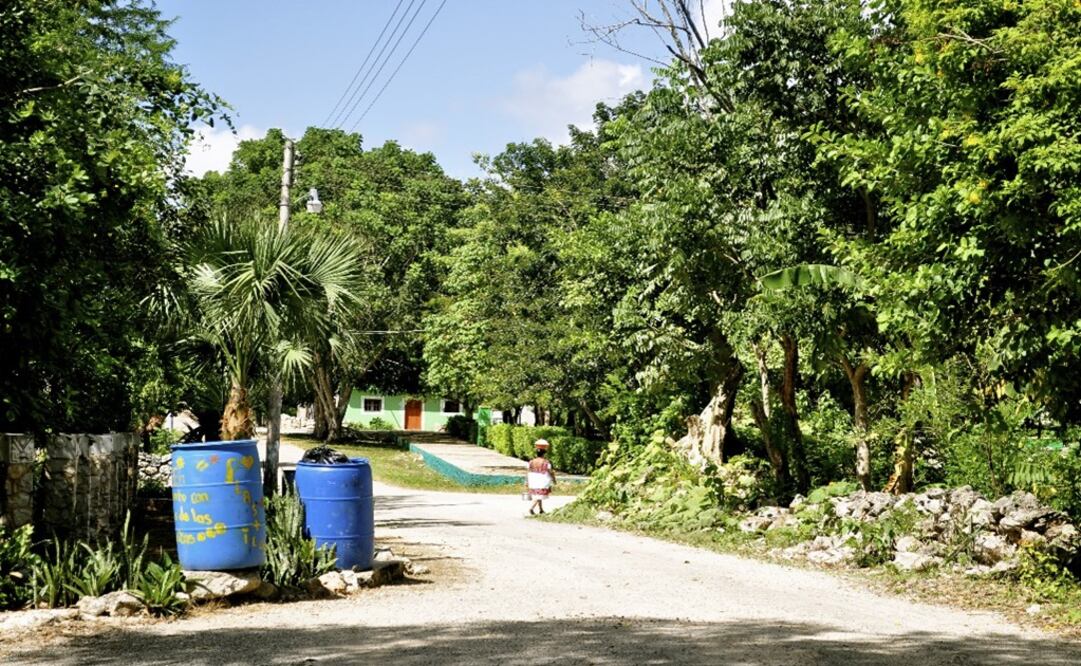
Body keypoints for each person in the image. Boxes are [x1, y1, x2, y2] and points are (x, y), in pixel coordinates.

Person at [526, 439, 556, 515]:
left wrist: (526, 481)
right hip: (542, 480)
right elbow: (550, 472)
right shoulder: (546, 462)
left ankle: (541, 510)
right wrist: (554, 479)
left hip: (533, 480)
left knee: (538, 495)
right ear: (544, 454)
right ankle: (531, 508)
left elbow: (528, 471)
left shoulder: (531, 462)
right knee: (539, 495)